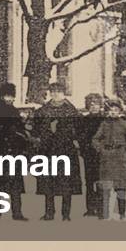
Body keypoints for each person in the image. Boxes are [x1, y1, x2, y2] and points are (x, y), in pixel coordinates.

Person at [32, 81, 83, 220]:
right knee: (48, 183)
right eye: (52, 91)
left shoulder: (71, 110)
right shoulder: (43, 110)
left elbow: (78, 131)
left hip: (66, 150)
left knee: (67, 183)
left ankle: (66, 214)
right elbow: (36, 131)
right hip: (48, 151)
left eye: (58, 91)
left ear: (63, 93)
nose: (55, 94)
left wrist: (62, 132)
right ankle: (49, 213)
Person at [0, 83, 29, 221]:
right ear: (2, 95)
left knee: (13, 183)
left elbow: (20, 132)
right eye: (7, 95)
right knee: (0, 184)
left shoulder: (13, 111)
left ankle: (15, 212)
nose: (10, 99)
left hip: (11, 152)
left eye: (12, 96)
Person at [92, 98, 126, 219]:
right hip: (106, 158)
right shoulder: (104, 124)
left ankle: (122, 212)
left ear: (120, 111)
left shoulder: (124, 124)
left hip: (120, 158)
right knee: (105, 187)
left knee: (120, 187)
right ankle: (104, 213)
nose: (113, 112)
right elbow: (95, 138)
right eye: (111, 110)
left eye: (116, 110)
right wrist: (100, 149)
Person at [79, 93, 105, 217]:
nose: (94, 107)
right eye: (91, 104)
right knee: (89, 182)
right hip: (89, 156)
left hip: (103, 156)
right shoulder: (84, 120)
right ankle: (90, 209)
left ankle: (101, 208)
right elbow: (81, 138)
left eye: (97, 104)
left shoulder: (106, 120)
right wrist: (84, 152)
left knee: (102, 182)